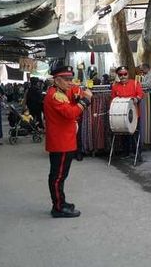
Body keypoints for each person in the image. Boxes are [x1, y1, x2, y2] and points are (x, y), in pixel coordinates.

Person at [44, 65, 93, 218]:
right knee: (58, 177)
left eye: (71, 79)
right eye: (66, 80)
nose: (70, 82)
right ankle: (58, 207)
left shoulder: (60, 90)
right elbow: (71, 113)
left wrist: (79, 91)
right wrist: (85, 101)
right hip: (61, 142)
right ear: (57, 80)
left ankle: (61, 202)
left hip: (65, 140)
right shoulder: (55, 96)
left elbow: (74, 90)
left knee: (60, 175)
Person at [110, 66, 144, 160]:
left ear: (128, 74)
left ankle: (137, 153)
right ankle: (126, 152)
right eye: (120, 74)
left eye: (125, 74)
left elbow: (141, 94)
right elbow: (112, 99)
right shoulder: (115, 86)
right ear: (118, 75)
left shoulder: (135, 83)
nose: (123, 76)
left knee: (135, 134)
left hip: (134, 114)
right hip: (121, 115)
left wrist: (137, 99)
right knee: (124, 134)